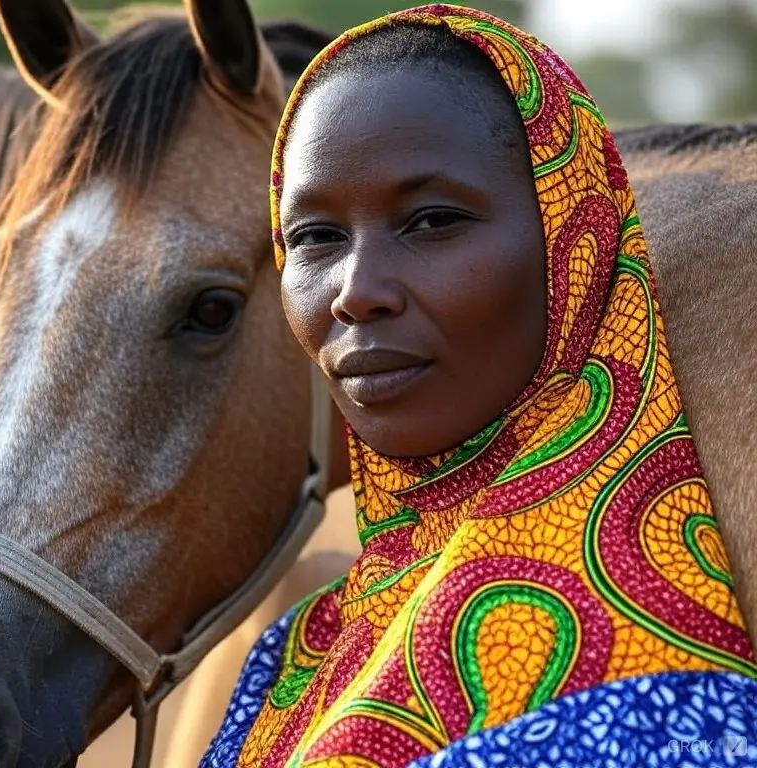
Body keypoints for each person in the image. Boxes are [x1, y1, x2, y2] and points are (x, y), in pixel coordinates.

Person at [200, 5, 757, 767]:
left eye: (431, 221)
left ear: (572, 245)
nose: (354, 292)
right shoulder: (299, 651)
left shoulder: (665, 702)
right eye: (314, 237)